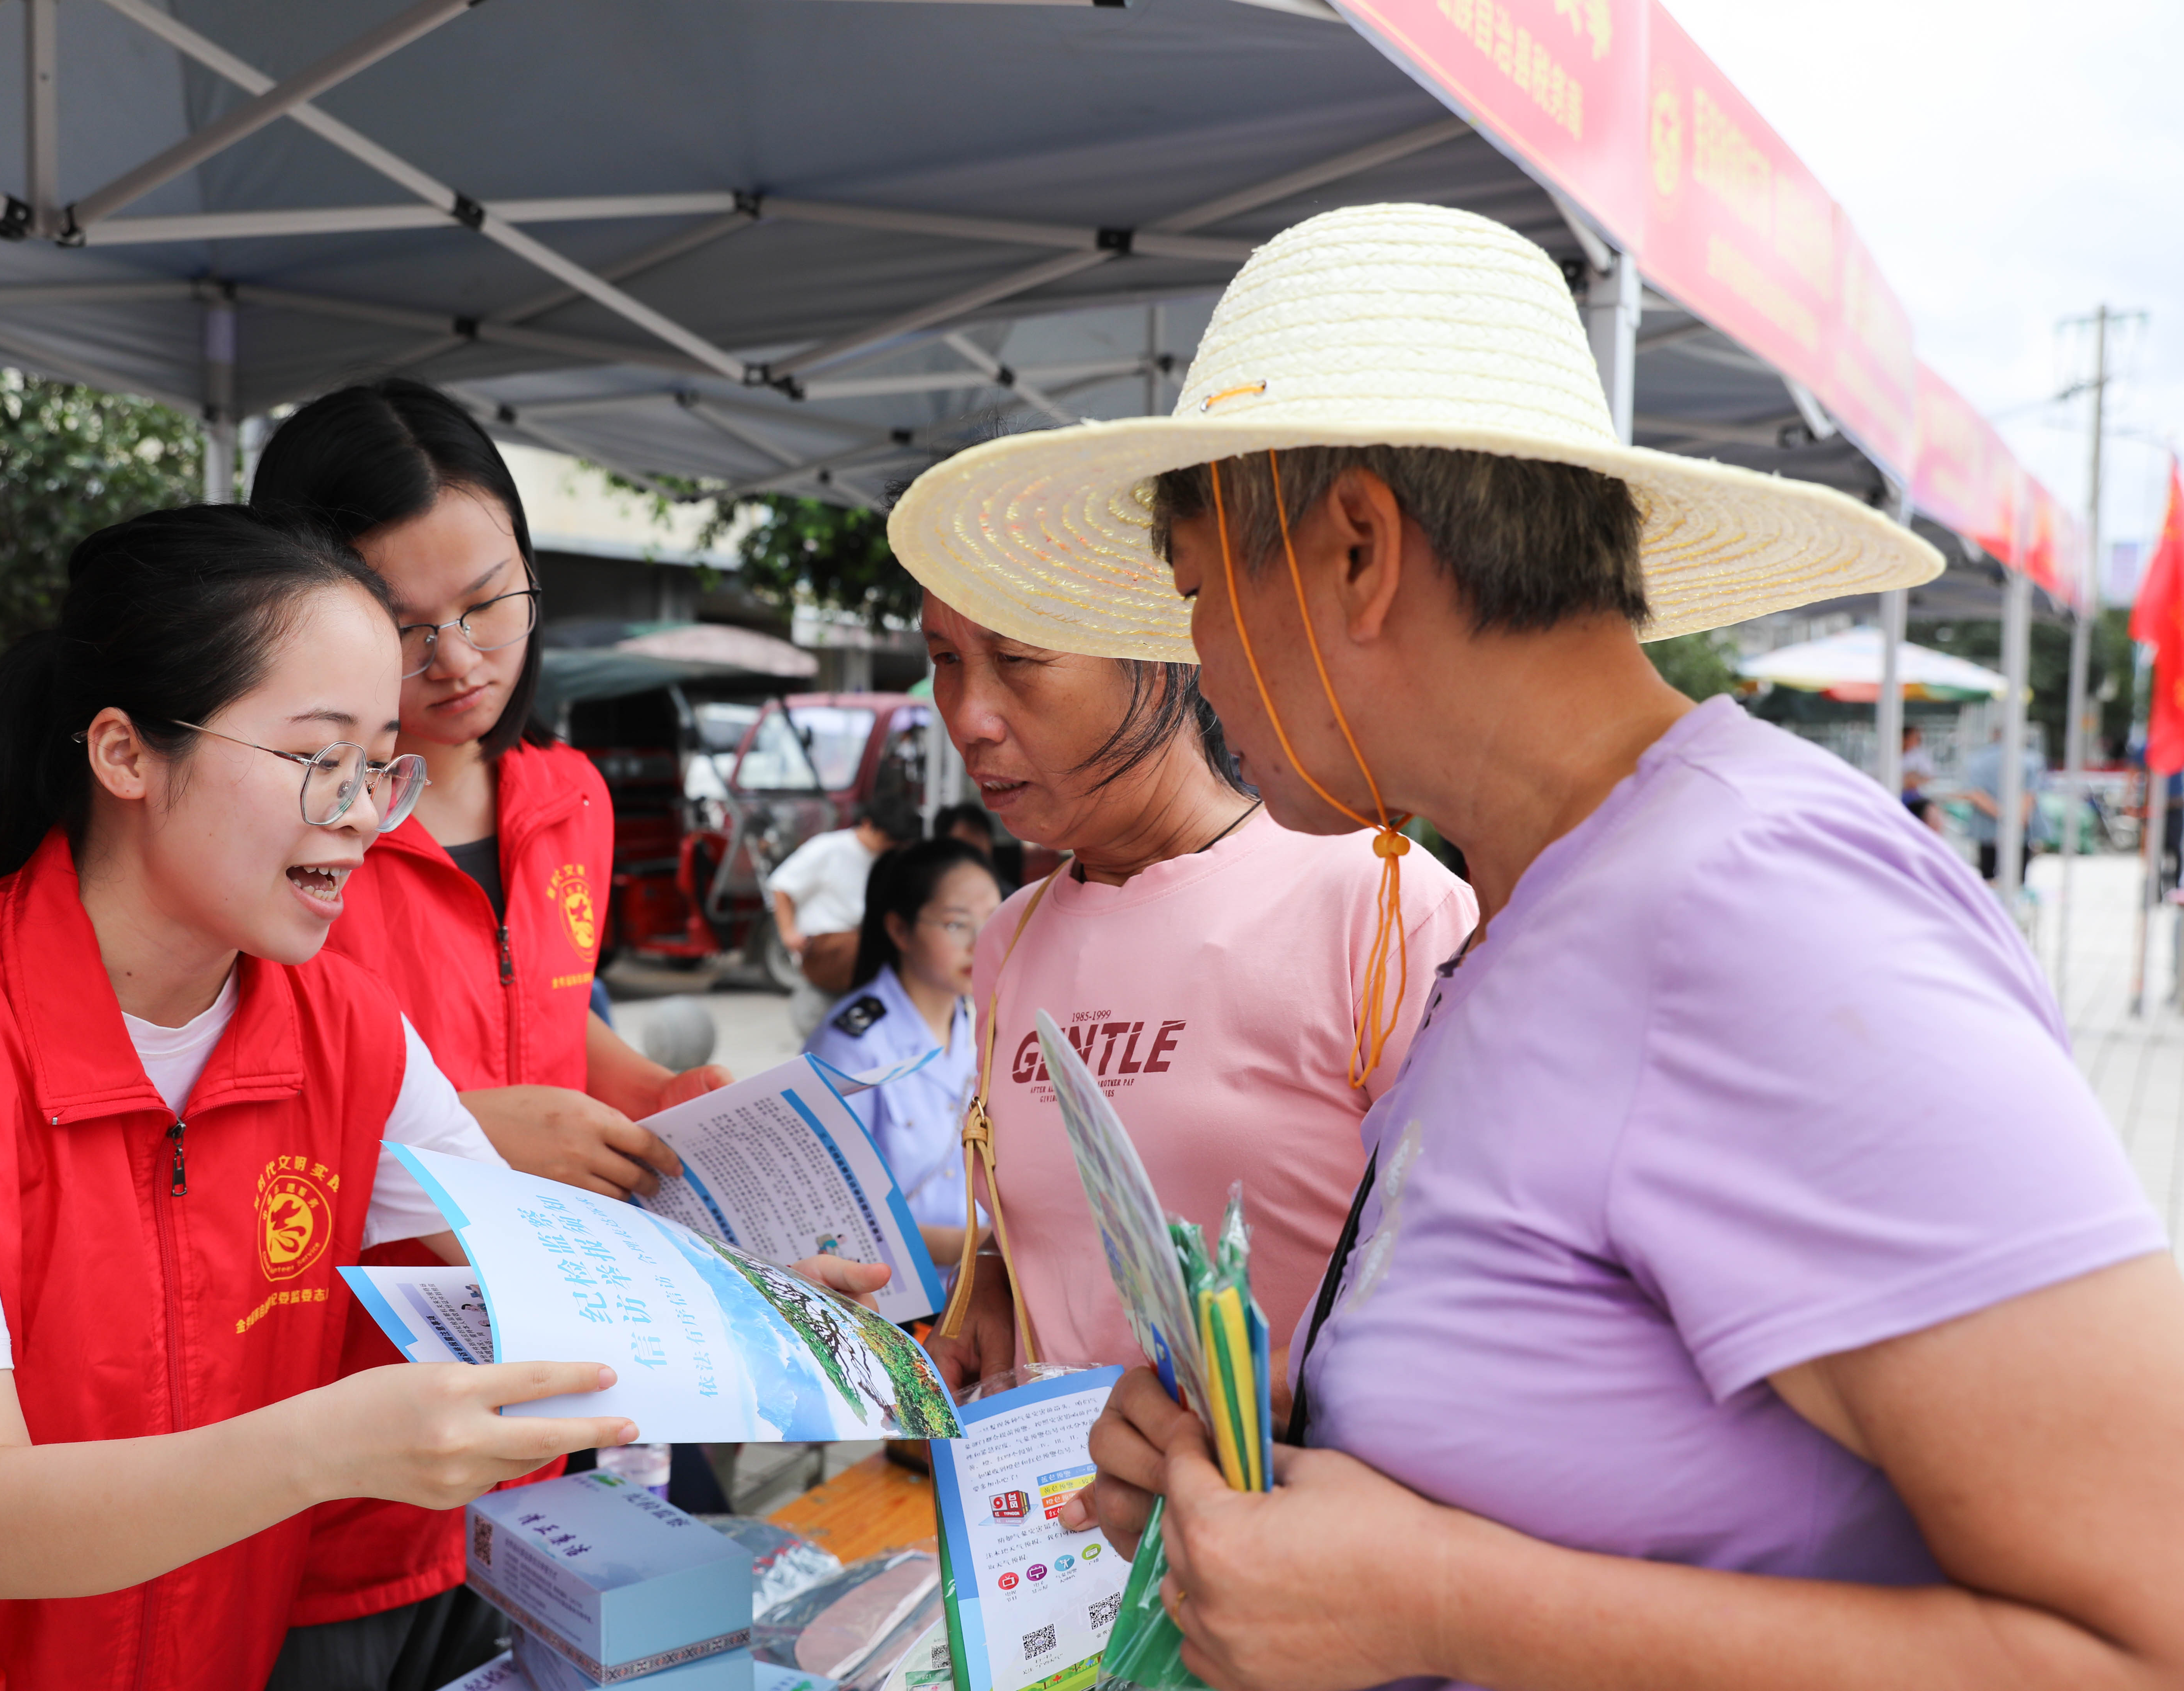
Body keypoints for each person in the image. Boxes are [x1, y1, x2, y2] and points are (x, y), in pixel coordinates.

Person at [893, 203, 2184, 1689]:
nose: (1196, 660)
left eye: (1195, 591)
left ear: (1356, 553)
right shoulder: (1523, 913)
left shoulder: (1749, 907)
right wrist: (1254, 1484)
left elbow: (2141, 1630)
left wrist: (1444, 1601)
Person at [0, 507, 647, 1689]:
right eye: (314, 755)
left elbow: (530, 1263)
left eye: (382, 760)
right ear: (125, 754)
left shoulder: (346, 1031)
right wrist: (328, 1445)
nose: (365, 811)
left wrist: (769, 1296)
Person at [249, 379, 735, 1685]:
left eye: (488, 602)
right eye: (406, 628)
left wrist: (687, 1103)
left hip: (541, 1427)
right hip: (344, 1453)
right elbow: (230, 1133)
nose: (460, 657)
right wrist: (471, 1139)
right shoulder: (277, 835)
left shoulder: (564, 795)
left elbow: (557, 1030)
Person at [913, 589, 1471, 1393]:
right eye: (944, 660)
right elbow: (1057, 1219)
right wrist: (997, 1279)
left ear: (1165, 655)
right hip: (1047, 1508)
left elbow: (1484, 1276)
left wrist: (1234, 1423)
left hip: (1290, 1504)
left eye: (1017, 660)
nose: (969, 717)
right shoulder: (1012, 935)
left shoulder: (1378, 901)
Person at [804, 838, 1002, 1257]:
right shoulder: (852, 1045)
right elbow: (831, 1213)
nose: (979, 943)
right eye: (956, 924)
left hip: (978, 1283)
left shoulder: (983, 1024)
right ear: (899, 929)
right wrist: (986, 1249)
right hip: (895, 1300)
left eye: (992, 921)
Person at [767, 796, 921, 998]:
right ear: (868, 824)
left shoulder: (891, 859)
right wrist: (788, 933)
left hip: (864, 940)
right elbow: (782, 886)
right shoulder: (829, 848)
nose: (891, 846)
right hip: (825, 944)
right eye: (888, 840)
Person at [1962, 725, 2042, 882]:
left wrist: (2002, 815)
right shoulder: (2030, 759)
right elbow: (2030, 795)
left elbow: (1976, 794)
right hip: (2020, 827)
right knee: (2018, 878)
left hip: (1986, 827)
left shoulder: (1977, 760)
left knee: (1988, 876)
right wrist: (2015, 818)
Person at [1897, 723, 1936, 826]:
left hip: (1914, 799)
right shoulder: (1891, 754)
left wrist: (1911, 780)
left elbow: (1929, 778)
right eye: (1914, 738)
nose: (1917, 742)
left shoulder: (1920, 756)